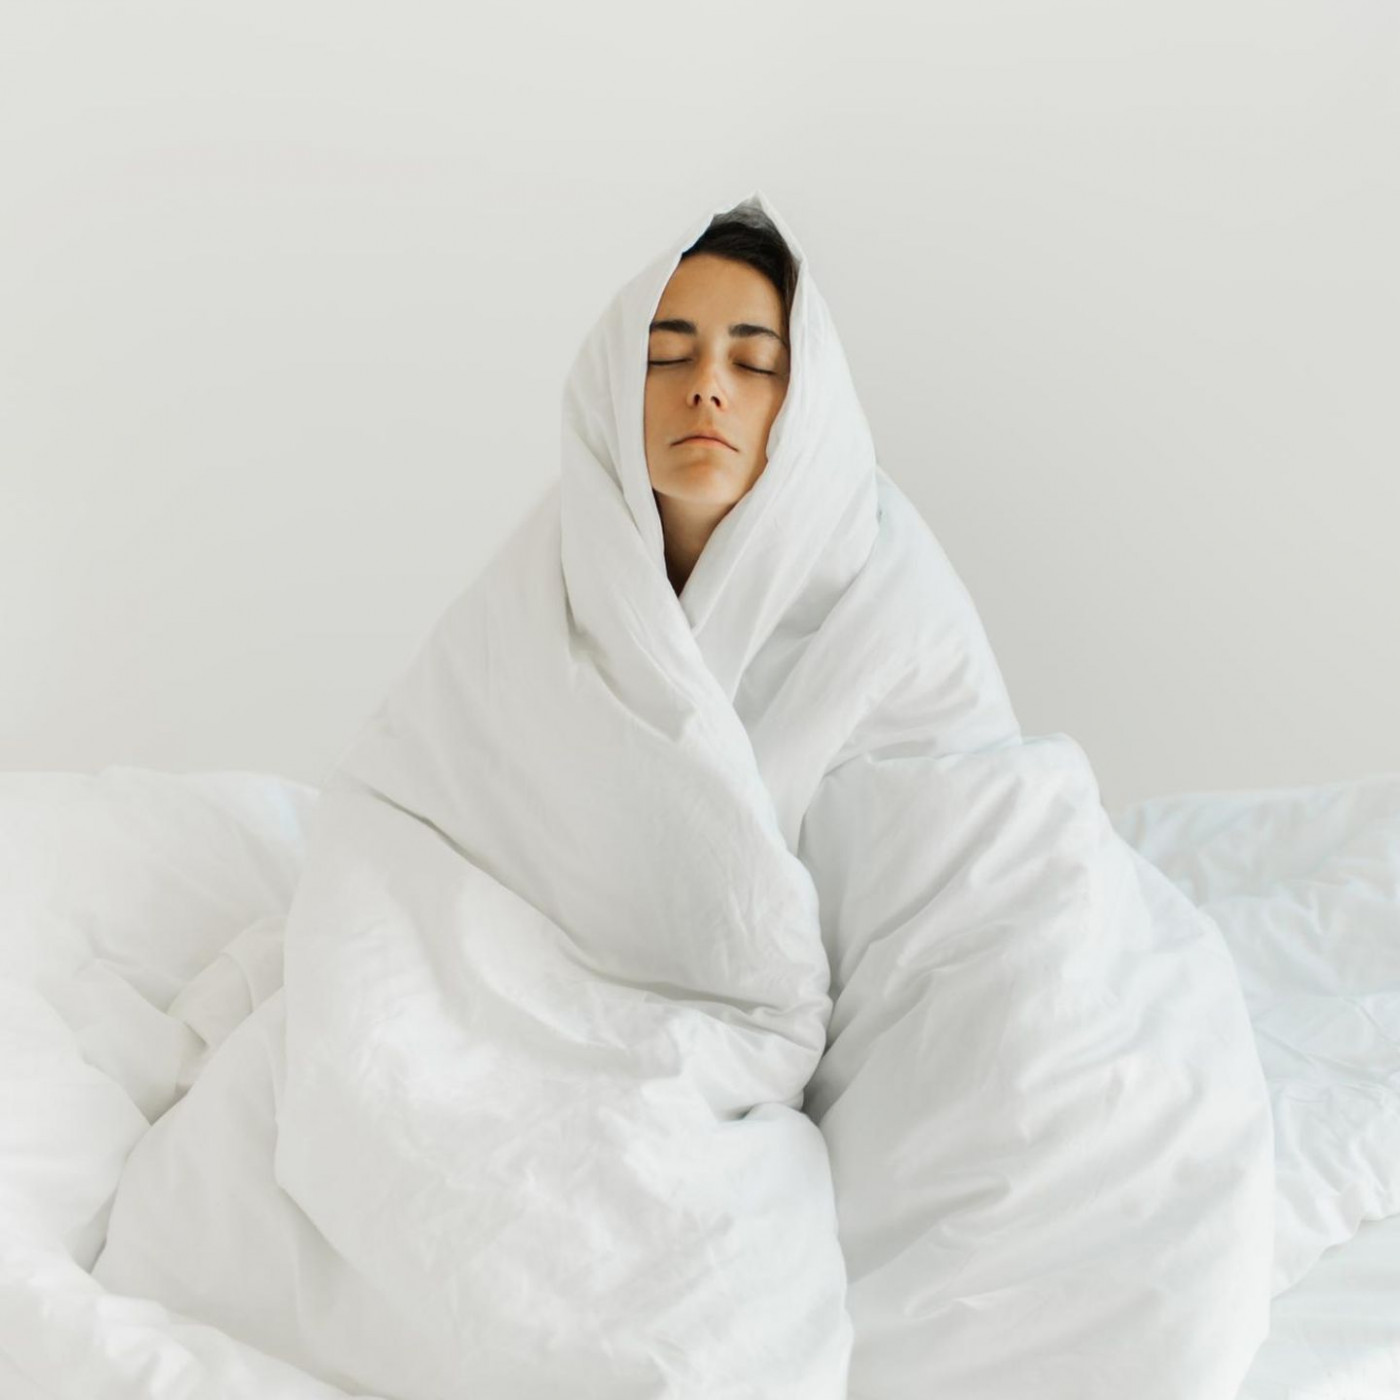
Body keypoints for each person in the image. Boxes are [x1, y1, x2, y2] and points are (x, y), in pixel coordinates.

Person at [643, 209, 796, 595]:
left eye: (755, 363)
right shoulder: (524, 595)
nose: (707, 387)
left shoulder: (897, 610)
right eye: (668, 355)